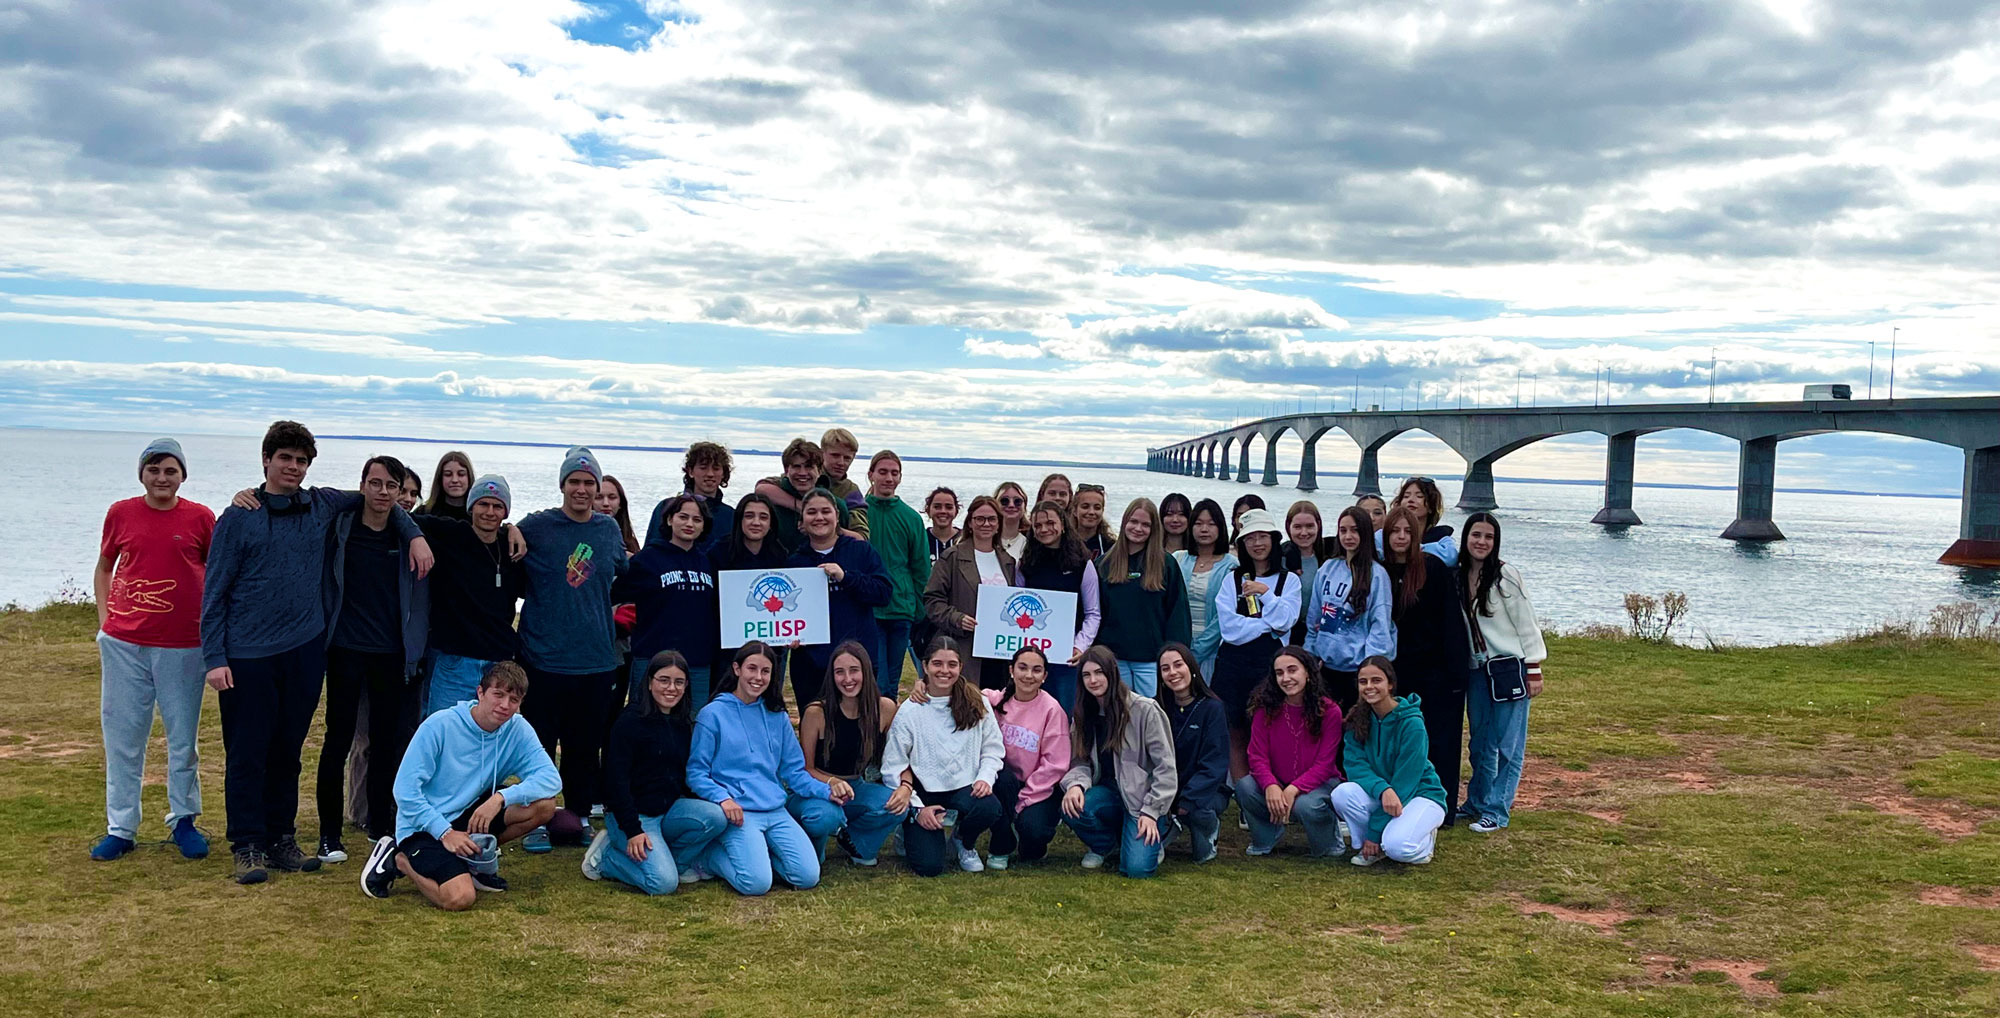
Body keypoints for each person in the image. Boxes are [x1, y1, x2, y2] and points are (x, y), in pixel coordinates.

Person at [203, 420, 432, 884]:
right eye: (284, 458)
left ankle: (280, 838)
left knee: (288, 749)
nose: (293, 467)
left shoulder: (322, 503)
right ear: (266, 461)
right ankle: (247, 844)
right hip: (247, 653)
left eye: (301, 460)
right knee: (248, 750)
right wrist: (215, 656)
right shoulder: (238, 518)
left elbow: (381, 499)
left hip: (305, 649)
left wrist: (414, 534)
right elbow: (215, 590)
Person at [91, 437, 215, 862]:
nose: (162, 478)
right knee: (124, 738)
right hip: (125, 643)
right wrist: (105, 621)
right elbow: (106, 566)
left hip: (184, 645)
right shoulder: (121, 513)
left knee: (182, 740)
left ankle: (184, 819)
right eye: (154, 470)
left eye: (170, 470)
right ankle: (121, 827)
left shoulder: (200, 518)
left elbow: (214, 576)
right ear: (142, 473)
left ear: (182, 475)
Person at [361, 661, 561, 908]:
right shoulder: (440, 725)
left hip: (467, 815)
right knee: (460, 898)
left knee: (544, 806)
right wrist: (444, 832)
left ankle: (471, 862)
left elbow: (551, 779)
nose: (505, 706)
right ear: (480, 693)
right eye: (498, 695)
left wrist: (500, 798)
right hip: (422, 825)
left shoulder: (517, 728)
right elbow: (404, 791)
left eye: (514, 700)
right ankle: (399, 859)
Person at [316, 455, 431, 863]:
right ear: (363, 484)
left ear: (402, 493)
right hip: (345, 649)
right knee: (338, 740)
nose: (383, 492)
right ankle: (329, 834)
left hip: (390, 654)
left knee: (386, 744)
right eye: (376, 483)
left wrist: (413, 532)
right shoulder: (340, 527)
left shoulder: (406, 538)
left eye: (392, 486)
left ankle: (381, 826)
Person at [514, 446, 629, 852]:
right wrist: (510, 527)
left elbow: (625, 571)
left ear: (597, 489)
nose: (581, 489)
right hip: (543, 658)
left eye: (589, 483)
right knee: (539, 746)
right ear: (562, 485)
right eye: (574, 482)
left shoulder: (607, 529)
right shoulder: (536, 526)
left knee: (584, 749)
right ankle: (537, 821)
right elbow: (499, 538)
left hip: (595, 660)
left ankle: (578, 816)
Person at [687, 642, 853, 895]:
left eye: (765, 671)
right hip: (739, 813)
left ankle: (759, 856)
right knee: (756, 884)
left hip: (775, 810)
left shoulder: (777, 716)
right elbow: (696, 773)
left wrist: (825, 791)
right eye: (751, 668)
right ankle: (707, 856)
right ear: (736, 669)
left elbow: (795, 772)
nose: (758, 677)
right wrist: (723, 798)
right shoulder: (712, 715)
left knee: (808, 877)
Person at [581, 651, 730, 895]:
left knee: (716, 817)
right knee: (662, 883)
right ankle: (606, 857)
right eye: (664, 680)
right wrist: (633, 830)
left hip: (668, 810)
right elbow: (615, 782)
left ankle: (675, 863)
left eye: (679, 682)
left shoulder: (682, 722)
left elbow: (683, 776)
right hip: (631, 817)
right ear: (650, 682)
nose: (671, 688)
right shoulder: (629, 722)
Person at [881, 638, 1006, 875]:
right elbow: (893, 764)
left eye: (952, 664)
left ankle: (963, 840)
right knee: (930, 867)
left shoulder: (977, 702)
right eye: (937, 664)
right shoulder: (910, 710)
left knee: (989, 807)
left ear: (960, 666)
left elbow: (993, 748)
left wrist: (985, 777)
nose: (945, 671)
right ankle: (908, 825)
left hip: (963, 786)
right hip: (924, 791)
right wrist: (917, 808)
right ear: (925, 666)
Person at [1382, 505, 1473, 825]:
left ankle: (1441, 809)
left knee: (1439, 742)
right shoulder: (1380, 570)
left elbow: (1450, 623)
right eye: (1395, 531)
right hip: (1395, 670)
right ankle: (1402, 804)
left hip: (1435, 671)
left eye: (1408, 532)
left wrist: (1456, 673)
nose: (1402, 538)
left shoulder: (1432, 568)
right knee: (1400, 742)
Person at [1458, 512, 1546, 835]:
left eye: (1488, 537)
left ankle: (1497, 810)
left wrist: (1533, 667)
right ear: (1466, 538)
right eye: (1476, 535)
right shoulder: (1460, 575)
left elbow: (1527, 622)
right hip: (1478, 670)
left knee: (1509, 744)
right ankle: (1478, 800)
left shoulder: (1505, 576)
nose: (1481, 542)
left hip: (1510, 668)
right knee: (1480, 742)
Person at [1059, 647, 1177, 878]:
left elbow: (1166, 768)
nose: (1093, 680)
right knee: (1072, 807)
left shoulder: (1145, 709)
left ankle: (1158, 832)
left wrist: (1152, 812)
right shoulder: (1084, 713)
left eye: (1099, 673)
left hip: (1142, 800)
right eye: (1086, 675)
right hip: (1107, 794)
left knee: (1137, 870)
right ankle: (1106, 846)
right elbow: (1079, 761)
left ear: (1113, 672)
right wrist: (1075, 785)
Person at [413, 475, 526, 715]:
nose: (489, 512)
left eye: (497, 506)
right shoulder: (450, 534)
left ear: (505, 512)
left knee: (494, 737)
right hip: (454, 660)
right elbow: (402, 517)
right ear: (471, 506)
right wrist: (415, 539)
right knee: (444, 732)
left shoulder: (511, 547)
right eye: (483, 504)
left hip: (499, 662)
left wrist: (512, 528)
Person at [789, 643, 905, 867]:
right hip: (816, 788)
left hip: (856, 787)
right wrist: (831, 782)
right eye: (839, 672)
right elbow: (805, 768)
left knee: (899, 806)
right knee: (824, 820)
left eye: (854, 670)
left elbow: (902, 754)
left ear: (866, 672)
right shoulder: (816, 713)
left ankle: (854, 840)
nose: (847, 679)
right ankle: (815, 838)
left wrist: (905, 787)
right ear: (831, 676)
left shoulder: (885, 709)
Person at [1210, 508, 1302, 779]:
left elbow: (1287, 620)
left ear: (1274, 539)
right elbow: (1230, 629)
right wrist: (1268, 626)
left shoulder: (1289, 581)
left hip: (1270, 667)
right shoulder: (1233, 579)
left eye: (1263, 536)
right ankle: (1242, 793)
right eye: (1250, 538)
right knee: (1235, 730)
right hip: (1233, 665)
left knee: (1268, 730)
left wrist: (1266, 595)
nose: (1257, 544)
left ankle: (1268, 787)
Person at [1332, 656, 1446, 866]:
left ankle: (1422, 841)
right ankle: (1372, 848)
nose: (1369, 687)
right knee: (1342, 793)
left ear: (1390, 684)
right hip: (1385, 793)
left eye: (1376, 680)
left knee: (1399, 849)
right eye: (1363, 682)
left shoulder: (1411, 723)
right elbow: (1355, 766)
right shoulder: (1357, 718)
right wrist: (1383, 789)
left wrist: (1375, 829)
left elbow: (1407, 780)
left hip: (1419, 794)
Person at [785, 488, 893, 707]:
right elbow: (788, 610)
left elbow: (883, 593)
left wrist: (845, 577)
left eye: (826, 511)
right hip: (810, 663)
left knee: (860, 725)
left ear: (837, 516)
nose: (819, 517)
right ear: (802, 520)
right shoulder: (795, 562)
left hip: (857, 660)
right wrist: (788, 634)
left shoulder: (861, 551)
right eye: (811, 512)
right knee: (814, 726)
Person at [1233, 647, 1345, 858]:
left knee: (1306, 805)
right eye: (1279, 673)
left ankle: (1329, 845)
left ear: (1308, 674)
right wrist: (1271, 785)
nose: (1286, 678)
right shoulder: (1264, 708)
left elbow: (1325, 764)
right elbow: (1257, 756)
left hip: (1320, 784)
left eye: (1292, 670)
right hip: (1278, 780)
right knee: (1245, 787)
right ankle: (1266, 837)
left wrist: (1293, 789)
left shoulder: (1330, 711)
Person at [612, 495, 719, 707]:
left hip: (696, 662)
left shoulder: (708, 563)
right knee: (644, 721)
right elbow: (613, 594)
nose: (689, 524)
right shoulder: (648, 559)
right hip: (652, 658)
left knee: (692, 725)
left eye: (697, 519)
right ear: (670, 520)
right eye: (683, 517)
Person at [981, 646, 1071, 869]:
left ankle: (1033, 834)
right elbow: (966, 692)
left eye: (1036, 670)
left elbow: (1055, 765)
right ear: (1011, 670)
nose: (1029, 675)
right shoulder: (996, 701)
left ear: (1044, 676)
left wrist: (1025, 800)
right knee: (1001, 779)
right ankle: (1002, 842)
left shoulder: (1052, 710)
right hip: (1004, 783)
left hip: (1040, 787)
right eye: (1022, 668)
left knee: (1033, 834)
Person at [1095, 498, 1191, 697]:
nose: (1138, 528)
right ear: (1124, 523)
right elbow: (1094, 613)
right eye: (1133, 522)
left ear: (1154, 529)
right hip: (1114, 659)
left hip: (1152, 660)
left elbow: (1178, 614)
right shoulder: (1104, 564)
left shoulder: (1166, 564)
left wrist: (1175, 656)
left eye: (1145, 524)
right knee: (1119, 715)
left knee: (1153, 716)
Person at [1303, 506, 1395, 712]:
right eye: (1343, 530)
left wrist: (1370, 669)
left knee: (1355, 731)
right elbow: (1314, 617)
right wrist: (1310, 656)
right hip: (1325, 668)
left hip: (1357, 671)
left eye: (1354, 530)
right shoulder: (1327, 568)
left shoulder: (1377, 575)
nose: (1348, 536)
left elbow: (1380, 626)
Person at [921, 494, 1016, 690]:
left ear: (999, 524)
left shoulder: (1008, 562)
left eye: (991, 519)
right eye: (979, 519)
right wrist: (957, 618)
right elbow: (932, 600)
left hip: (998, 652)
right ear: (970, 523)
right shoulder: (952, 557)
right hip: (964, 648)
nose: (985, 524)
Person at [1016, 499, 1102, 714]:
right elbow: (1018, 606)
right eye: (1038, 525)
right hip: (1032, 655)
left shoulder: (1083, 563)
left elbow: (1093, 613)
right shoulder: (1025, 563)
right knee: (1030, 712)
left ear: (1063, 525)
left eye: (1050, 523)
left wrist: (1080, 646)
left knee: (1065, 714)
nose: (1044, 529)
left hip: (1067, 658)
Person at [1154, 643, 1228, 864]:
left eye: (1178, 665)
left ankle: (1208, 829)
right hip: (1165, 790)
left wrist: (1187, 799)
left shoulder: (1213, 708)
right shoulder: (1155, 707)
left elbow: (1214, 764)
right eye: (1165, 668)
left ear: (1192, 667)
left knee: (1199, 826)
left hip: (1203, 792)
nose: (1173, 673)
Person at [707, 493, 787, 693]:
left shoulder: (781, 555)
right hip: (726, 647)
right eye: (749, 516)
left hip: (768, 647)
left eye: (763, 517)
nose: (756, 522)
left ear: (771, 523)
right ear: (740, 519)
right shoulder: (718, 552)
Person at [864, 450, 928, 698]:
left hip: (902, 608)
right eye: (882, 472)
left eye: (894, 473)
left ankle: (885, 732)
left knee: (891, 680)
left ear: (900, 477)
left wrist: (920, 610)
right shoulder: (859, 511)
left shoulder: (911, 518)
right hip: (869, 608)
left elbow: (921, 567)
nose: (888, 478)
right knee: (874, 677)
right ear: (871, 475)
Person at [758, 430, 869, 541]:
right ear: (822, 453)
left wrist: (824, 527)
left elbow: (861, 537)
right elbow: (762, 488)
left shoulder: (850, 493)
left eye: (847, 458)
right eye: (835, 455)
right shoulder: (798, 479)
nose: (841, 462)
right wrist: (802, 507)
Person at [1169, 498, 1234, 679]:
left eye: (1211, 524)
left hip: (1212, 648)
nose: (1204, 529)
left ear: (1220, 528)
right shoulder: (1178, 558)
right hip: (1177, 645)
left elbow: (1224, 615)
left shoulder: (1231, 565)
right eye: (1198, 523)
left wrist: (1196, 652)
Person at [645, 440, 734, 555]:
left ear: (723, 474)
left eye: (716, 468)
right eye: (703, 468)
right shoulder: (667, 507)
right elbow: (650, 551)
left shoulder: (731, 516)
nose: (710, 474)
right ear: (690, 471)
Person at [757, 438, 823, 552]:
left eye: (809, 466)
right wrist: (802, 507)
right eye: (796, 466)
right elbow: (760, 489)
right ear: (787, 470)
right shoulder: (771, 503)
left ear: (820, 471)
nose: (802, 473)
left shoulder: (833, 503)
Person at [1281, 501, 1331, 645]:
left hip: (1321, 632)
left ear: (1318, 525)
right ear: (1288, 527)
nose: (1304, 533)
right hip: (1288, 633)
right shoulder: (1280, 559)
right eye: (1297, 527)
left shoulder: (1330, 557)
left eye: (1309, 526)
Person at [1393, 476, 1458, 564]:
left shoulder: (1442, 539)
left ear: (1431, 507)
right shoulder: (1385, 533)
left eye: (1419, 496)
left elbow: (1451, 557)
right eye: (1406, 496)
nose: (1411, 500)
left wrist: (1412, 549)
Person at [418, 451, 475, 520]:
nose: (455, 480)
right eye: (448, 474)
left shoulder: (478, 515)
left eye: (461, 474)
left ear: (469, 477)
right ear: (440, 478)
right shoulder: (423, 513)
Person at [596, 474, 642, 556]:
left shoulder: (630, 542)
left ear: (620, 503)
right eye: (599, 497)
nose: (606, 503)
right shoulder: (583, 535)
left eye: (612, 497)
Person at [1072, 483, 1113, 559]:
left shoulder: (1110, 547)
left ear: (1102, 511)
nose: (1091, 512)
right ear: (1074, 510)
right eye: (1085, 507)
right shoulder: (1063, 543)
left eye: (1097, 508)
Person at [994, 481, 1030, 558]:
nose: (1011, 505)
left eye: (1017, 501)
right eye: (1004, 501)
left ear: (1025, 506)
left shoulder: (1031, 542)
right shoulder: (985, 538)